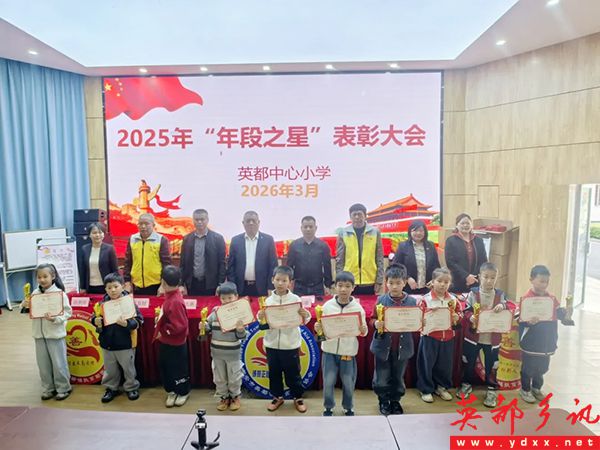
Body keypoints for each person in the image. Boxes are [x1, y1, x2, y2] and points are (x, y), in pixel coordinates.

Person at [257, 266, 311, 413]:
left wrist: (305, 314)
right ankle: (277, 397)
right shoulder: (267, 301)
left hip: (290, 345)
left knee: (293, 373)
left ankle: (297, 397)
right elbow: (262, 321)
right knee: (274, 373)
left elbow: (304, 319)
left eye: (284, 280)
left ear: (290, 283)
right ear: (272, 280)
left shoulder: (295, 300)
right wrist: (260, 316)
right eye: (278, 280)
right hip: (272, 344)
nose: (280, 283)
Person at [315, 271, 367, 416]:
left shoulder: (358, 308)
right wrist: (318, 328)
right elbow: (321, 328)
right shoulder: (327, 306)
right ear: (335, 287)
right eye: (340, 285)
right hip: (329, 351)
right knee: (328, 382)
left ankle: (348, 407)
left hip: (348, 352)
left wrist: (363, 330)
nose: (343, 289)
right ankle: (328, 407)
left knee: (348, 382)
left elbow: (363, 331)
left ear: (353, 288)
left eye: (347, 286)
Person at [457, 262, 507, 408]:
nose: (489, 281)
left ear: (496, 278)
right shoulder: (473, 293)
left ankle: (492, 389)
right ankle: (466, 384)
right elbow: (466, 310)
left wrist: (502, 306)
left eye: (493, 278)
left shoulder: (500, 295)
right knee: (468, 361)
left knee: (493, 364)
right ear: (479, 277)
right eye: (486, 277)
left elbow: (508, 307)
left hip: (492, 338)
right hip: (473, 337)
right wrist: (470, 317)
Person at [370, 264, 418, 416]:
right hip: (383, 347)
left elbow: (417, 321)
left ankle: (396, 400)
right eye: (391, 283)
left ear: (405, 282)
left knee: (398, 376)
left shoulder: (412, 302)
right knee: (381, 377)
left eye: (398, 283)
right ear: (386, 283)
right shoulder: (381, 300)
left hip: (402, 347)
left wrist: (419, 323)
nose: (395, 286)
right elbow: (372, 319)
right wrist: (375, 324)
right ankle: (383, 400)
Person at [20, 264, 72, 400]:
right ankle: (48, 388)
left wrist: (55, 319)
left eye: (45, 276)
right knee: (43, 364)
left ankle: (63, 388)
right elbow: (27, 311)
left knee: (59, 363)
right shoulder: (34, 294)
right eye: (39, 277)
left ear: (53, 276)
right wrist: (25, 305)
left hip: (55, 334)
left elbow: (68, 312)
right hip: (39, 335)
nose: (42, 280)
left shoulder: (60, 294)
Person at [518, 265, 567, 404]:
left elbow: (559, 314)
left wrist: (565, 312)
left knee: (543, 367)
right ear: (531, 280)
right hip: (531, 342)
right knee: (528, 367)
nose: (544, 285)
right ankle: (525, 389)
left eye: (546, 281)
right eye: (541, 281)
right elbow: (519, 319)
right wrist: (528, 322)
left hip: (547, 341)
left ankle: (536, 388)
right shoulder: (526, 299)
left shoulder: (551, 299)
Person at [90, 273, 142, 403]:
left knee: (129, 368)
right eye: (109, 287)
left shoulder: (129, 302)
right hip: (107, 343)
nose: (113, 290)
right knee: (110, 369)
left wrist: (127, 324)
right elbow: (94, 317)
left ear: (123, 286)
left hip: (125, 343)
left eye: (115, 286)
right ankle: (111, 388)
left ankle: (131, 387)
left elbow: (139, 321)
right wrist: (95, 320)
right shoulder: (102, 304)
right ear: (105, 289)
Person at [416, 267, 463, 403]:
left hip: (448, 337)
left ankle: (441, 387)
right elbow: (417, 317)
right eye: (439, 281)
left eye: (446, 282)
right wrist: (425, 317)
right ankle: (425, 389)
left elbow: (460, 314)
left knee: (445, 365)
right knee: (426, 364)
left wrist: (457, 317)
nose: (443, 284)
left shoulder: (453, 299)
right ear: (432, 282)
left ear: (450, 283)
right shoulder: (425, 299)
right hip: (429, 337)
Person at [204, 282, 247, 411]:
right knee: (219, 378)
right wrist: (203, 326)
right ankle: (223, 397)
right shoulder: (215, 312)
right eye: (223, 298)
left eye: (230, 298)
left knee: (234, 377)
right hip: (217, 352)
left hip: (233, 354)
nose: (227, 301)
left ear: (236, 297)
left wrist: (240, 330)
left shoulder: (240, 314)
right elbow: (208, 328)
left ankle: (235, 397)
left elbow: (242, 336)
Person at [154, 265, 191, 407]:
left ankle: (182, 392)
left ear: (163, 282)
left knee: (178, 369)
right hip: (167, 341)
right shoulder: (170, 296)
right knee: (166, 367)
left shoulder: (175, 301)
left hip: (176, 343)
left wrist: (162, 331)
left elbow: (180, 326)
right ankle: (171, 391)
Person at [336, 203, 384, 295]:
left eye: (359, 214)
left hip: (370, 280)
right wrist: (339, 279)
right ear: (350, 217)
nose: (357, 217)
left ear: (365, 216)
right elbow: (340, 259)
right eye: (354, 215)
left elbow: (379, 257)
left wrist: (379, 280)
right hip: (348, 281)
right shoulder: (343, 233)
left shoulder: (375, 232)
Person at [227, 211, 278, 297]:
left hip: (262, 288)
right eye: (248, 221)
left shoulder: (268, 240)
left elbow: (273, 265)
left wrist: (271, 286)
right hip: (240, 288)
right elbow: (231, 267)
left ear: (259, 222)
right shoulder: (236, 241)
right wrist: (233, 288)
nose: (251, 223)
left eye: (253, 221)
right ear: (243, 223)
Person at [180, 209, 226, 296]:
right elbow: (182, 264)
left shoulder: (218, 239)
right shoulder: (187, 239)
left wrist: (221, 284)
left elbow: (222, 264)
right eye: (196, 220)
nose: (199, 222)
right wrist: (181, 284)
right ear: (193, 221)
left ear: (207, 220)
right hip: (192, 284)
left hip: (211, 284)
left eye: (202, 219)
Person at [123, 213, 171, 295]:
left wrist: (163, 285)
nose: (143, 226)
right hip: (136, 284)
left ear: (153, 225)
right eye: (140, 224)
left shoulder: (161, 240)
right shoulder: (132, 239)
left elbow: (166, 264)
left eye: (146, 224)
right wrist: (127, 282)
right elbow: (128, 262)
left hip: (156, 285)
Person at [286, 216, 333, 296]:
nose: (308, 229)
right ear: (301, 228)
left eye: (311, 227)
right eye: (305, 227)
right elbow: (289, 266)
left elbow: (327, 267)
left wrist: (328, 286)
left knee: (319, 305)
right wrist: (288, 283)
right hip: (299, 286)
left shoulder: (323, 246)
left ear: (316, 228)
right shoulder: (294, 245)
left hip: (318, 287)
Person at [391, 220, 440, 295]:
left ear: (425, 232)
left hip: (428, 288)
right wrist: (407, 278)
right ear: (410, 232)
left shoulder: (431, 246)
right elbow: (396, 267)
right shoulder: (403, 246)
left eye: (421, 230)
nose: (418, 233)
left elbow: (436, 266)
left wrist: (434, 280)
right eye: (415, 230)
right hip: (408, 288)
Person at [444, 213, 488, 294]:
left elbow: (483, 260)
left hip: (475, 281)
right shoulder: (451, 241)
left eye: (468, 223)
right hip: (457, 281)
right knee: (458, 301)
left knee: (475, 301)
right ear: (457, 225)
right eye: (462, 223)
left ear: (471, 225)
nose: (465, 225)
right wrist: (466, 276)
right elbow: (450, 262)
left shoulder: (479, 240)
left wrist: (473, 277)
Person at [78, 222, 119, 295]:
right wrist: (82, 287)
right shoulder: (84, 249)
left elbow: (115, 270)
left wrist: (116, 286)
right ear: (89, 235)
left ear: (103, 234)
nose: (97, 235)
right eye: (94, 233)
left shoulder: (109, 249)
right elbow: (82, 270)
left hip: (107, 286)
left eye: (100, 232)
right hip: (90, 286)